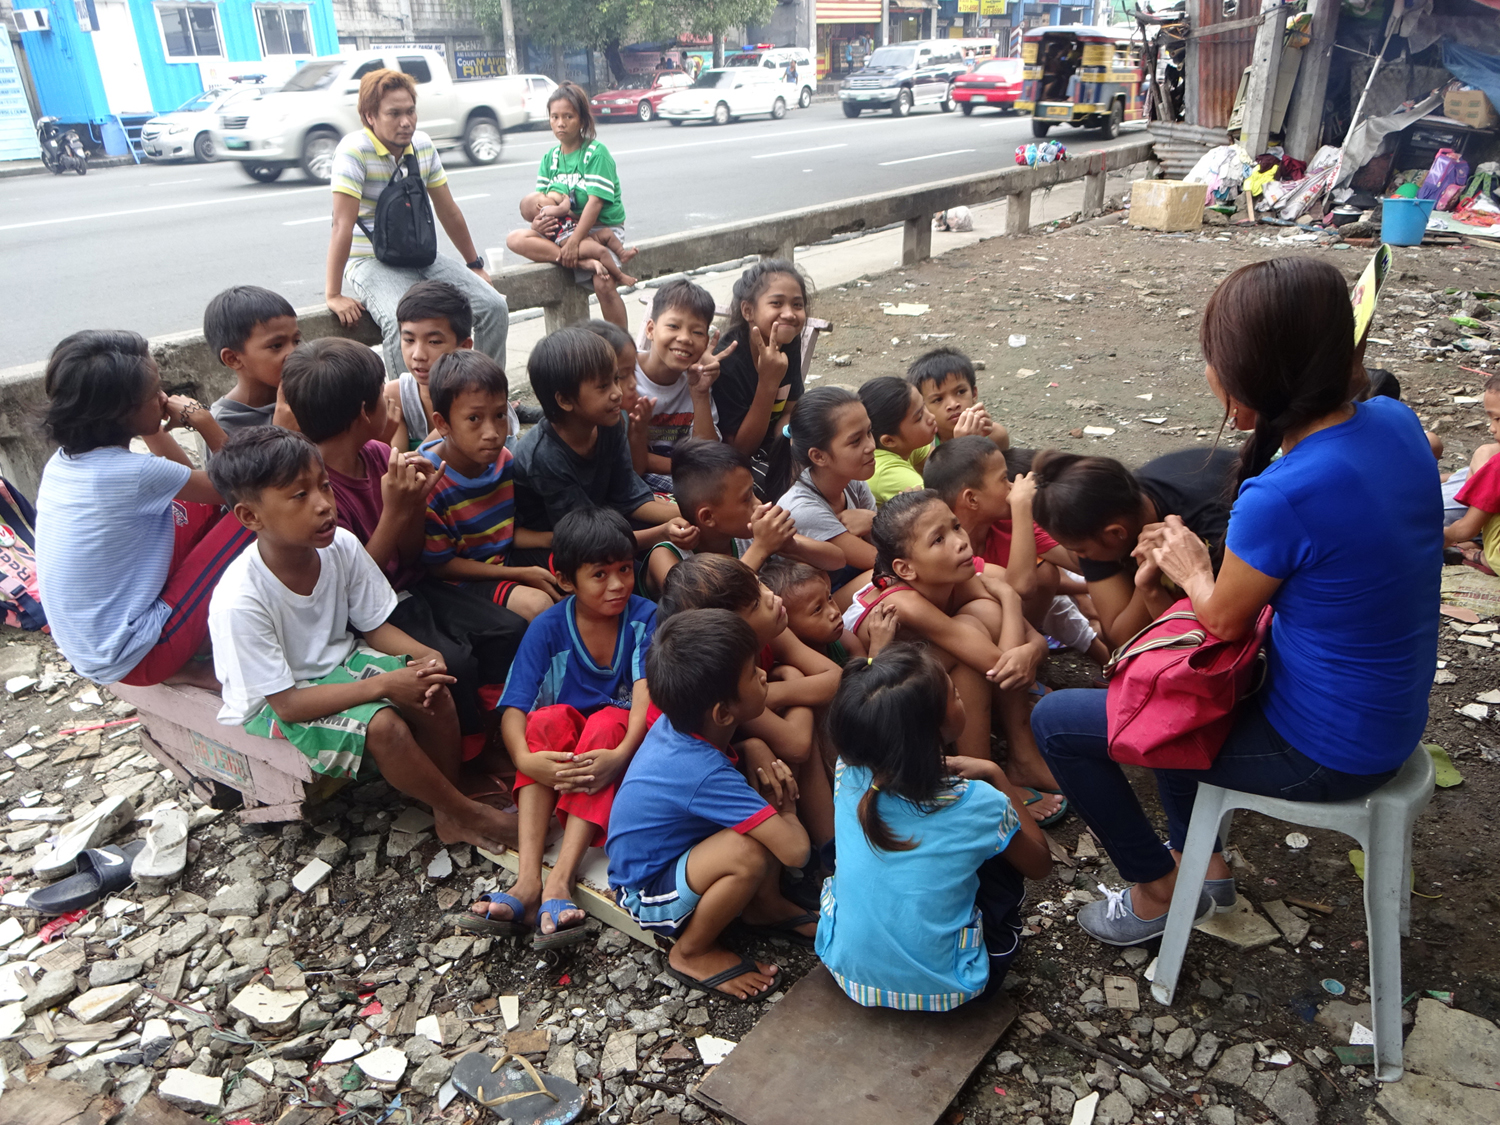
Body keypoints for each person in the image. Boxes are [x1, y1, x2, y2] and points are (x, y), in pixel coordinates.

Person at [1030, 257, 1441, 947]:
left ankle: (1155, 888)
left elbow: (1221, 618)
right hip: (1388, 716)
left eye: (1216, 361)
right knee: (1173, 695)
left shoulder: (1279, 493)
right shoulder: (1395, 422)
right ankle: (1205, 864)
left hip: (1326, 749)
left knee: (1059, 720)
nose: (1211, 375)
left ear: (1254, 384)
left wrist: (1189, 567)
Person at [205, 427, 513, 854]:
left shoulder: (340, 546)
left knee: (431, 687)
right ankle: (465, 812)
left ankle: (449, 806)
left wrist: (425, 656)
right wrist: (384, 685)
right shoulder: (240, 600)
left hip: (336, 664)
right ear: (250, 516)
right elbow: (287, 704)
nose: (323, 505)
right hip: (277, 699)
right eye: (299, 496)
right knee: (384, 725)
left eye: (324, 486)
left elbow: (374, 626)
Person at [281, 338, 527, 765]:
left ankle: (498, 725)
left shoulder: (377, 456)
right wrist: (396, 510)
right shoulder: (317, 492)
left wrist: (416, 503)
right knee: (455, 665)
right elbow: (353, 590)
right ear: (364, 413)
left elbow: (413, 555)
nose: (389, 404)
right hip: (366, 613)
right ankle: (468, 756)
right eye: (381, 396)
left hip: (412, 586)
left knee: (507, 629)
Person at [459, 508, 657, 948]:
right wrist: (526, 761)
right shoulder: (548, 627)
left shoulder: (646, 618)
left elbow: (644, 697)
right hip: (567, 754)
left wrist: (622, 752)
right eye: (600, 574)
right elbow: (514, 708)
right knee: (543, 721)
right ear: (566, 580)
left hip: (625, 750)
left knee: (608, 724)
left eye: (625, 569)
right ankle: (527, 881)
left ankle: (560, 881)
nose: (618, 584)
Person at [816, 645, 1051, 1009]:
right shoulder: (979, 802)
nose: (960, 694)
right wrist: (996, 774)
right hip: (953, 988)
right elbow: (1040, 865)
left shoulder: (848, 774)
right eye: (955, 693)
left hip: (844, 969)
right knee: (1001, 853)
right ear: (936, 729)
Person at [607, 608, 813, 1000]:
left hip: (679, 854)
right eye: (753, 673)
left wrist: (754, 751)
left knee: (759, 758)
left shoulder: (687, 724)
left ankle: (763, 905)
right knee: (748, 850)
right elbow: (797, 852)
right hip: (646, 889)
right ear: (722, 712)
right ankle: (691, 952)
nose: (764, 675)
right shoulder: (700, 770)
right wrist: (783, 810)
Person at [35, 330, 252, 689]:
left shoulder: (63, 462)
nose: (165, 398)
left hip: (92, 650)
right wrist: (204, 421)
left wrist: (151, 427)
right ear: (121, 413)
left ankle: (183, 655)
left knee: (194, 507)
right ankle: (186, 662)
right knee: (255, 514)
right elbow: (246, 486)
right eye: (154, 394)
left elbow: (186, 485)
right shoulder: (134, 474)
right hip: (138, 655)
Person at [842, 491, 1062, 824]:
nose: (960, 542)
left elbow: (1032, 644)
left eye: (956, 527)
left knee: (985, 614)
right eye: (939, 539)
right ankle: (981, 780)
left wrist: (1030, 645)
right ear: (905, 568)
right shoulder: (903, 602)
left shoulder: (953, 573)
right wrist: (1011, 601)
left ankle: (1023, 757)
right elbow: (999, 664)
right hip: (874, 698)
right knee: (973, 641)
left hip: (920, 671)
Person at [325, 69, 508, 377]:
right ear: (370, 116)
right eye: (394, 114)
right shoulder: (353, 151)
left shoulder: (421, 146)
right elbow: (341, 225)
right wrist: (333, 294)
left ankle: (485, 395)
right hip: (369, 259)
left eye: (410, 111)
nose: (406, 121)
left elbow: (448, 210)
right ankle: (409, 417)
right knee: (402, 324)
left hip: (419, 252)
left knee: (493, 307)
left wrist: (473, 264)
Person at [658, 554, 840, 848]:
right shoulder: (723, 679)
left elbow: (837, 678)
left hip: (758, 743)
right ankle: (827, 848)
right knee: (777, 749)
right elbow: (796, 744)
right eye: (756, 603)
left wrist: (778, 691)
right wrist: (794, 681)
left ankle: (831, 842)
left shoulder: (771, 630)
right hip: (713, 790)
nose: (771, 596)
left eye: (760, 584)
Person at [512, 326, 695, 556]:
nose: (617, 392)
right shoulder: (544, 456)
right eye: (603, 386)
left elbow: (629, 497)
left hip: (599, 520)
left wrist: (695, 511)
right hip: (556, 545)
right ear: (565, 400)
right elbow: (585, 537)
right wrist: (663, 532)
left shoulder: (609, 424)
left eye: (615, 379)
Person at [1030, 446, 1237, 648]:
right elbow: (1122, 638)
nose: (1077, 556)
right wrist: (1147, 583)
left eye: (1080, 550)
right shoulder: (1093, 515)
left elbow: (1223, 627)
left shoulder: (1216, 525)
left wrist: (1187, 576)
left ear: (1116, 533)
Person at [924, 436, 1106, 663]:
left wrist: (1055, 506)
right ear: (971, 499)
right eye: (1003, 479)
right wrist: (1021, 507)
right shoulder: (945, 545)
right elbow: (1020, 588)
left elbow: (1077, 559)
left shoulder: (1004, 521)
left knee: (1045, 573)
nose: (1013, 486)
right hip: (956, 650)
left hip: (1008, 631)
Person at [417, 351, 559, 626]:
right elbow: (440, 565)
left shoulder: (503, 460)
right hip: (460, 581)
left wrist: (551, 539)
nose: (492, 432)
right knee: (539, 605)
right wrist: (519, 575)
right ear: (442, 423)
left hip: (503, 562)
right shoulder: (432, 481)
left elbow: (499, 534)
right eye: (474, 419)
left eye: (499, 415)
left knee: (581, 572)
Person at [641, 440, 844, 597]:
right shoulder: (668, 555)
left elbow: (837, 560)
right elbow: (703, 607)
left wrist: (791, 545)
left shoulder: (748, 534)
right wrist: (761, 549)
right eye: (747, 499)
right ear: (708, 517)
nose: (760, 505)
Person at [505, 83, 630, 329]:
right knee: (515, 239)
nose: (560, 123)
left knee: (603, 281)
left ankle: (622, 348)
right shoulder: (550, 158)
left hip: (600, 230)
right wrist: (537, 222)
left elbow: (594, 204)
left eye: (568, 117)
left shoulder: (596, 153)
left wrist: (575, 242)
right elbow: (541, 202)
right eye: (555, 117)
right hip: (565, 232)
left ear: (582, 119)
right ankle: (578, 262)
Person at [382, 281, 521, 455]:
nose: (418, 355)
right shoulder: (397, 395)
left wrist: (420, 454)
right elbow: (399, 464)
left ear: (464, 346)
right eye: (409, 340)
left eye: (434, 342)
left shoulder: (483, 394)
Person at [711, 260, 809, 500]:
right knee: (779, 491)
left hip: (772, 446)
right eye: (776, 303)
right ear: (748, 311)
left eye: (797, 304)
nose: (789, 313)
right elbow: (740, 448)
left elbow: (790, 409)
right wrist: (768, 382)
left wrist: (789, 448)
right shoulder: (729, 361)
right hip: (730, 458)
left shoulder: (788, 343)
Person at [777, 387, 879, 606]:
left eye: (869, 432)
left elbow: (885, 543)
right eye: (855, 441)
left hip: (851, 586)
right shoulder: (802, 509)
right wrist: (876, 521)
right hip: (817, 609)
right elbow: (880, 561)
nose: (871, 446)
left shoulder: (852, 480)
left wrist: (873, 522)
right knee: (898, 579)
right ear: (818, 456)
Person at [633, 280, 733, 493]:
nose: (685, 338)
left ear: (706, 341)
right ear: (650, 329)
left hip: (686, 476)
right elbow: (624, 456)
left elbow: (707, 452)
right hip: (636, 477)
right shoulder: (627, 376)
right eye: (673, 326)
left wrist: (700, 393)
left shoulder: (697, 378)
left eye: (697, 332)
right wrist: (688, 468)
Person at [759, 556, 895, 666]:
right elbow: (867, 691)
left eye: (829, 598)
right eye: (817, 609)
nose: (834, 612)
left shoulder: (845, 641)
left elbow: (866, 675)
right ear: (786, 624)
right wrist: (878, 648)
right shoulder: (793, 669)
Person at [204, 285, 301, 433]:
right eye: (276, 346)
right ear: (233, 358)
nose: (294, 353)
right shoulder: (224, 424)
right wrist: (284, 433)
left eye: (296, 341)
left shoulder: (308, 395)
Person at [1443, 373, 1500, 568]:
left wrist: (1445, 537)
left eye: (1498, 419)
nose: (1492, 429)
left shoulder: (1496, 467)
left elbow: (1464, 529)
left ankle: (1483, 555)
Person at [581, 318, 650, 476]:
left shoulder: (622, 414)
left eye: (634, 372)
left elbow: (637, 471)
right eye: (622, 376)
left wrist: (638, 431)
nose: (634, 383)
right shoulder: (595, 425)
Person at [907, 347, 1010, 450]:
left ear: (974, 394)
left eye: (960, 392)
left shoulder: (995, 436)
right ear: (923, 407)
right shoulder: (922, 446)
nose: (953, 404)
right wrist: (963, 444)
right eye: (938, 399)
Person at [861, 376, 938, 506]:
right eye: (919, 417)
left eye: (924, 406)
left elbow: (939, 461)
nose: (931, 417)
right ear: (889, 440)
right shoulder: (888, 472)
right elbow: (939, 509)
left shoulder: (904, 444)